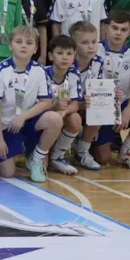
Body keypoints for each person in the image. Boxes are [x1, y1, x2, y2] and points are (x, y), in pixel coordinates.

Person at [0, 26, 60, 182]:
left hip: (26, 122)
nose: (24, 46)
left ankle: (36, 159)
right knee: (7, 172)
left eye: (29, 42)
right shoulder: (0, 71)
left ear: (35, 49)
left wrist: (23, 117)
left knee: (54, 119)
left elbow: (46, 102)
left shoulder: (39, 70)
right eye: (19, 42)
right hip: (5, 126)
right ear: (10, 45)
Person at [94, 10, 130, 170]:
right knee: (103, 158)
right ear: (107, 28)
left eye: (123, 29)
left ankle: (127, 152)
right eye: (115, 28)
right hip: (99, 105)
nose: (118, 33)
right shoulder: (96, 49)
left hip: (122, 102)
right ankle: (85, 140)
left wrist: (128, 111)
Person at [45, 34, 84, 176]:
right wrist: (53, 107)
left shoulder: (74, 74)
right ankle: (38, 152)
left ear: (74, 56)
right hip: (42, 116)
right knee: (42, 164)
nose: (65, 57)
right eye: (60, 53)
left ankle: (57, 157)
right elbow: (35, 105)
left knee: (75, 119)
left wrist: (63, 112)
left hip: (59, 114)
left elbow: (75, 104)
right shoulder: (41, 73)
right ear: (51, 56)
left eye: (69, 54)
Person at [69, 21, 107, 171]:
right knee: (73, 117)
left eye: (93, 42)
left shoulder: (98, 62)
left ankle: (82, 151)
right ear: (74, 46)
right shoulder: (67, 63)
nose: (91, 46)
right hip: (67, 106)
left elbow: (98, 88)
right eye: (85, 42)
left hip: (85, 105)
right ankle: (58, 152)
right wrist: (79, 104)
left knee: (100, 105)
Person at [8, 0, 48, 65]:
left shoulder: (37, 0)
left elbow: (42, 29)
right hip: (9, 50)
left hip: (33, 51)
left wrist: (43, 55)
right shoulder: (4, 0)